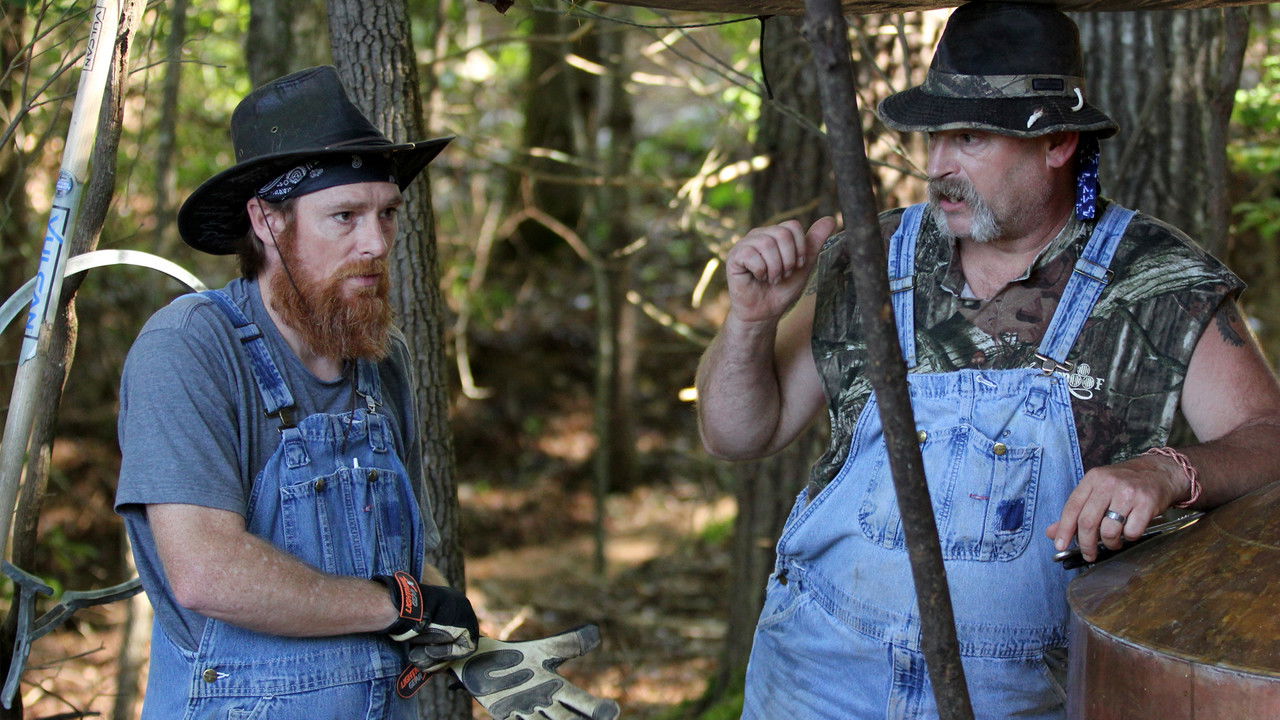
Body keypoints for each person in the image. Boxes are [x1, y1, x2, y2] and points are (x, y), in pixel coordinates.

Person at [695, 3, 1280, 719]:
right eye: (935, 136)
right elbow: (735, 436)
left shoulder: (1159, 283)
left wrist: (1166, 472)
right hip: (816, 679)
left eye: (969, 137)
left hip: (1025, 694)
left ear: (1057, 142)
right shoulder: (870, 258)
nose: (938, 165)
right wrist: (751, 322)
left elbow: (1270, 440)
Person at [114, 66, 480, 718]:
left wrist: (465, 639)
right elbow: (206, 572)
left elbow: (404, 560)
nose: (376, 244)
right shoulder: (191, 347)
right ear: (267, 220)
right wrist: (401, 605)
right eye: (345, 216)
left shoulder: (382, 361)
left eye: (387, 213)